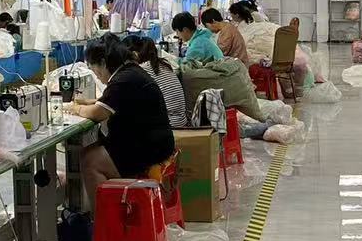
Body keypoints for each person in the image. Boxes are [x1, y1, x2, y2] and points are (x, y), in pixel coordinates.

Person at [66, 33, 177, 201]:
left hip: (148, 150)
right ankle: (115, 206)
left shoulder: (123, 80)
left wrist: (75, 108)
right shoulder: (130, 72)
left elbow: (97, 113)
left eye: (95, 70)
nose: (97, 75)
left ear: (103, 63)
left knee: (90, 160)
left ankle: (105, 215)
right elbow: (112, 101)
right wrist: (89, 102)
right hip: (156, 144)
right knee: (93, 150)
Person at [178, 27, 279, 139]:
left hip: (222, 78)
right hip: (230, 71)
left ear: (184, 30)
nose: (178, 35)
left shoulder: (204, 41)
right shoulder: (206, 37)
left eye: (178, 31)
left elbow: (189, 61)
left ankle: (238, 129)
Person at [127, 32, 187, 128]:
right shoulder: (163, 64)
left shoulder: (142, 70)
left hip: (168, 124)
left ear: (134, 54)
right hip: (181, 121)